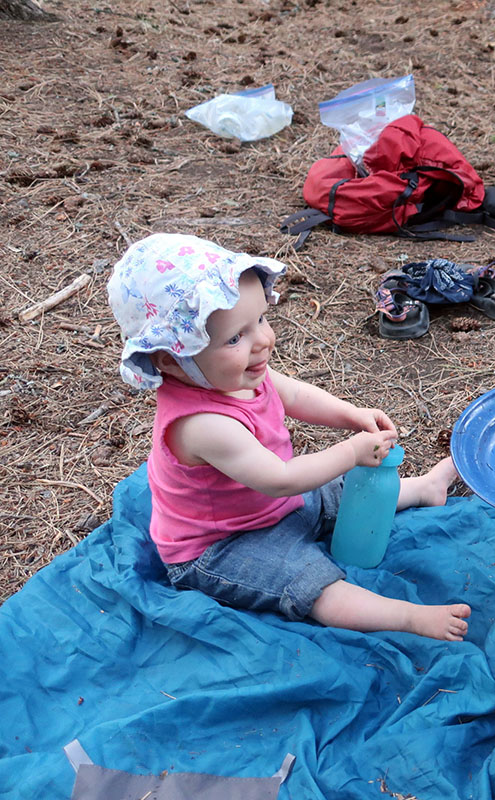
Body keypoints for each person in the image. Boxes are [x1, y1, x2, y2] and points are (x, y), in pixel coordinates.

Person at [107, 233, 471, 641]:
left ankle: (425, 488)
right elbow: (279, 477)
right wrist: (351, 451)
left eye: (260, 320)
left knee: (340, 488)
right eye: (235, 337)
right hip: (225, 544)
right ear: (171, 359)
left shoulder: (236, 375)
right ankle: (407, 617)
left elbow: (295, 394)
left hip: (276, 504)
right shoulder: (201, 424)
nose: (263, 340)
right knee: (309, 582)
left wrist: (350, 416)